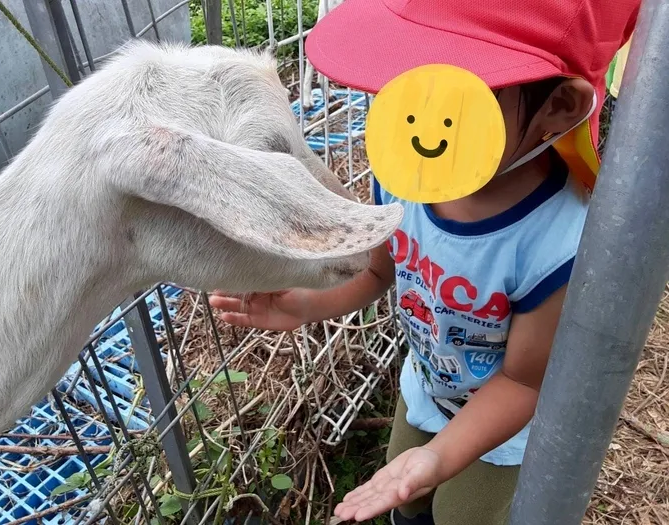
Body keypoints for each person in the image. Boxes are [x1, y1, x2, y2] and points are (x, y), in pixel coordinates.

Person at [210, 1, 639, 523]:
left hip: (506, 430)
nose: (420, 124)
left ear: (561, 105)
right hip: (429, 387)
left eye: (455, 102)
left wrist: (440, 457)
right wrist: (305, 304)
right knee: (405, 494)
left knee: (463, 514)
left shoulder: (557, 240)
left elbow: (524, 382)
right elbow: (377, 271)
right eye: (406, 83)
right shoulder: (406, 176)